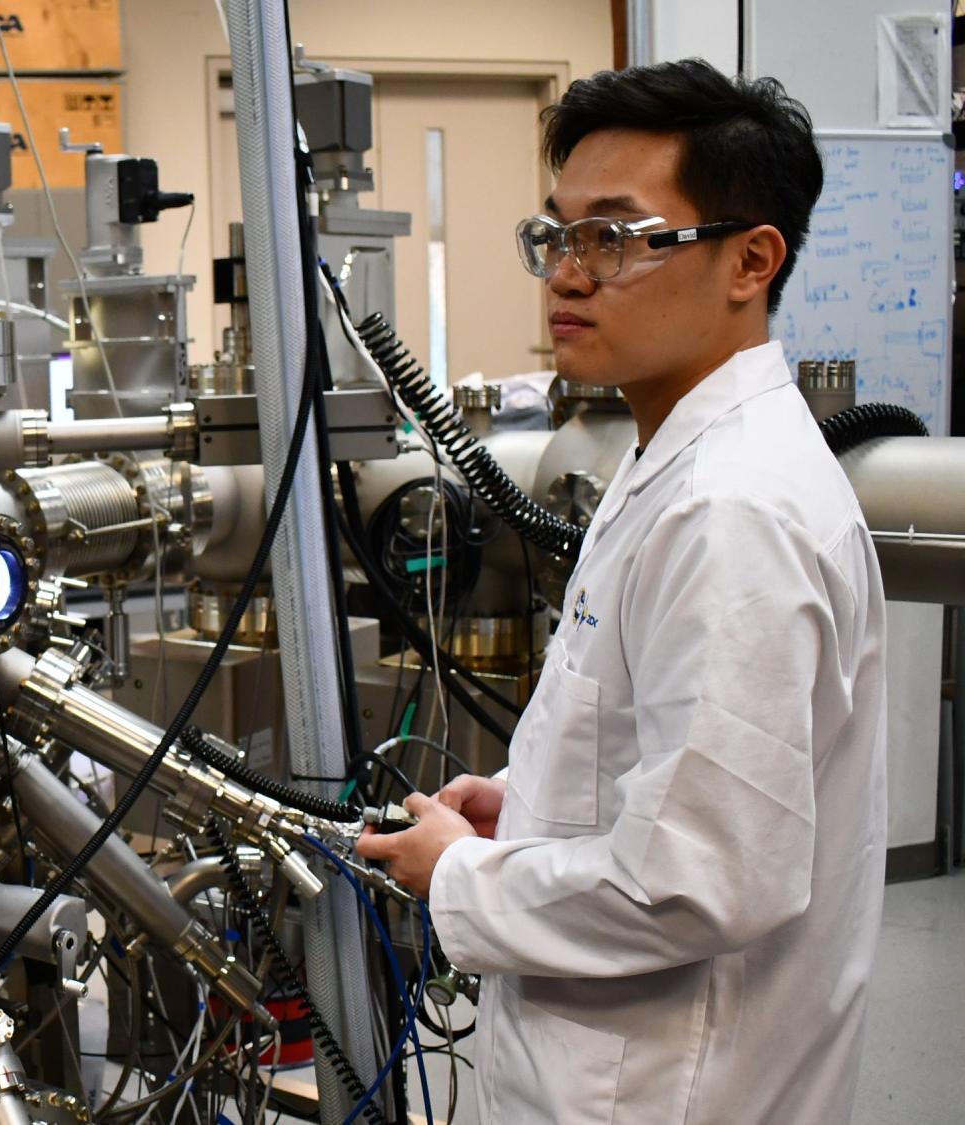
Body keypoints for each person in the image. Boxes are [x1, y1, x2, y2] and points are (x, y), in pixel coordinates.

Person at [354, 59, 886, 1124]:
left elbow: (700, 880)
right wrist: (534, 803)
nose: (566, 274)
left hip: (662, 1091)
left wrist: (457, 879)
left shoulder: (732, 511)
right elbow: (681, 760)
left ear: (749, 261)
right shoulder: (671, 459)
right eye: (554, 236)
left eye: (616, 237)